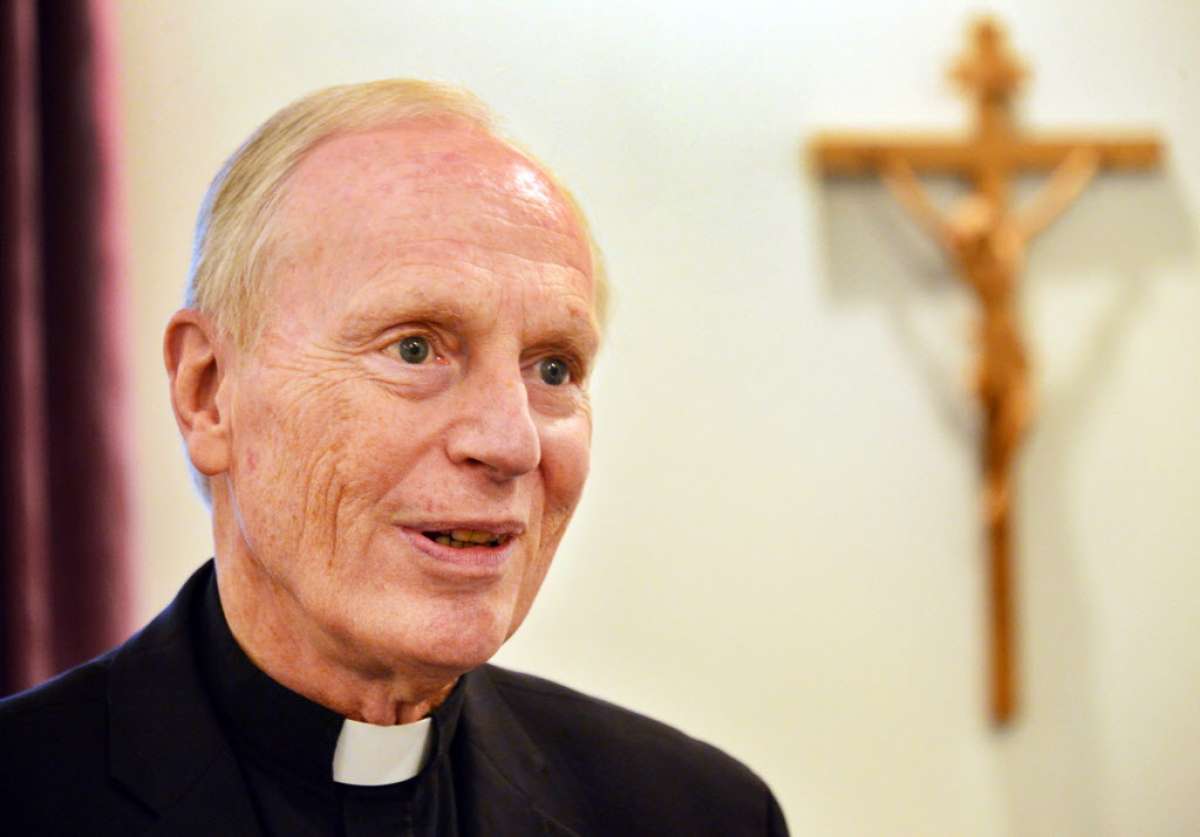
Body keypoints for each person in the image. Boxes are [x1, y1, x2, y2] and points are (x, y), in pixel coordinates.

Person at [0, 79, 788, 836]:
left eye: (553, 369)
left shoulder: (700, 814)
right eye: (415, 348)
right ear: (209, 393)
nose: (510, 443)